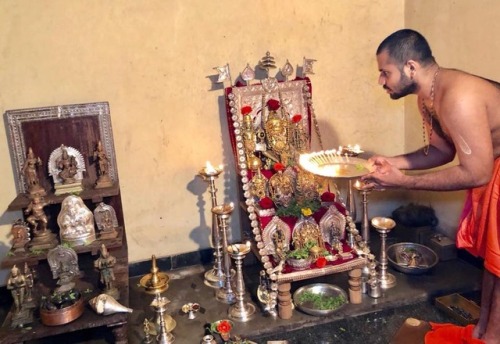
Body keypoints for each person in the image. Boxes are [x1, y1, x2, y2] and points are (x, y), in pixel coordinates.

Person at [361, 29, 500, 343]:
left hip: (490, 170)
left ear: (410, 67)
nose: (381, 81)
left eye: (385, 73)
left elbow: (477, 172)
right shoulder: (428, 96)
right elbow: (441, 151)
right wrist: (391, 162)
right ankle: (483, 331)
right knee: (494, 261)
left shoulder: (457, 97)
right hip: (493, 168)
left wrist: (403, 181)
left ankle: (493, 338)